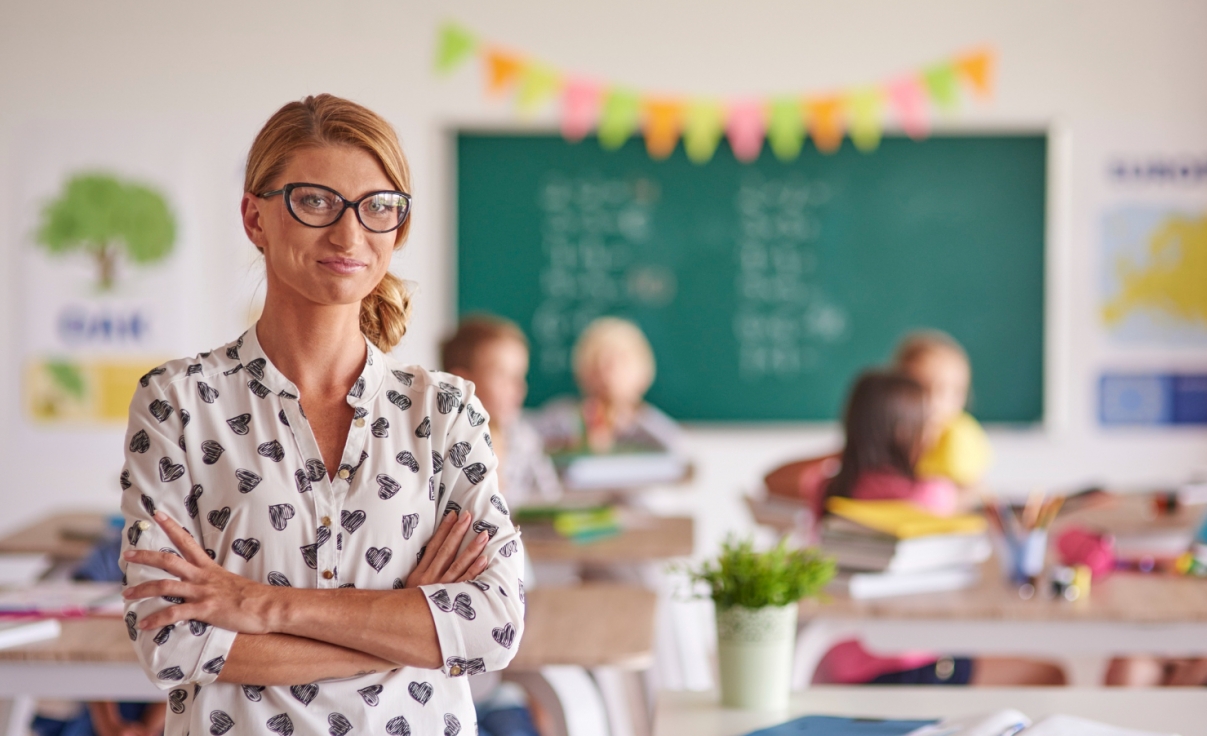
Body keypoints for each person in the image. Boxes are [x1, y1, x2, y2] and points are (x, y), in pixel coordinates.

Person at [119, 94, 525, 736]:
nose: (348, 234)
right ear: (255, 217)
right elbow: (171, 644)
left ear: (399, 229)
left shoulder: (446, 411)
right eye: (315, 201)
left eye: (377, 208)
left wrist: (259, 605)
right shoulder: (180, 402)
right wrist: (402, 626)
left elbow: (491, 626)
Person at [813, 371, 1064, 686]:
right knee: (1050, 673)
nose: (936, 432)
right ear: (906, 432)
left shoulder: (823, 487)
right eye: (929, 423)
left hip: (837, 661)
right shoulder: (930, 494)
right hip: (911, 662)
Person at [441, 316, 561, 509]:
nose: (517, 386)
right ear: (461, 382)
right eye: (500, 374)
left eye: (519, 374)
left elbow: (551, 503)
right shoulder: (439, 445)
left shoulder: (523, 439)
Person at [536, 316, 681, 456]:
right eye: (597, 362)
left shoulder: (648, 422)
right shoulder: (563, 416)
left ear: (641, 371)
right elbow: (530, 443)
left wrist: (628, 418)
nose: (606, 373)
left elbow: (679, 449)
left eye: (618, 362)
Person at [893, 330, 992, 489]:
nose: (934, 401)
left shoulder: (960, 438)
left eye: (953, 390)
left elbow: (967, 493)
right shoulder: (892, 431)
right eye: (922, 388)